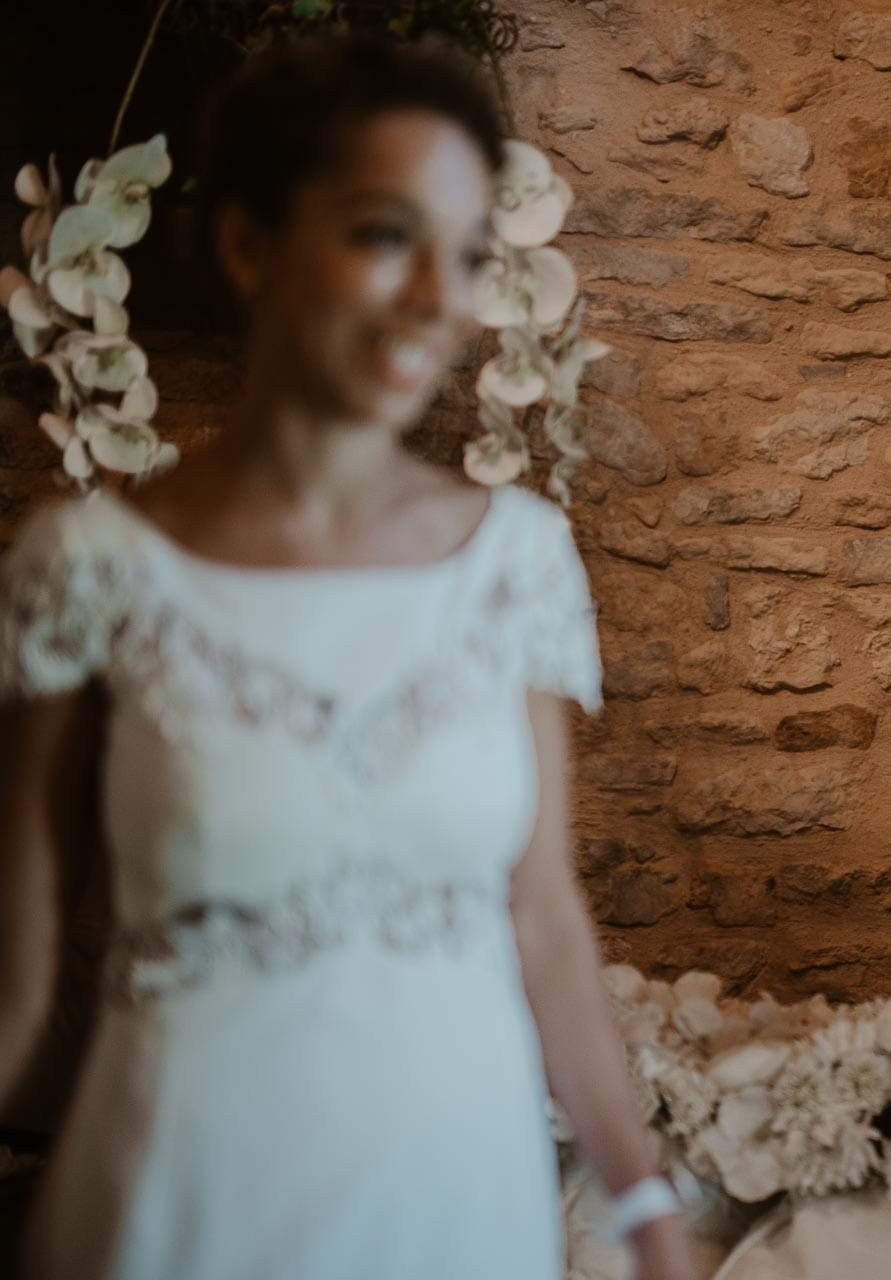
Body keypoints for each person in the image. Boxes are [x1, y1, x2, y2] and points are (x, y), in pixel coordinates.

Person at [0, 36, 696, 1280]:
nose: (438, 297)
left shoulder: (518, 565)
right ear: (250, 246)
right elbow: (17, 974)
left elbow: (544, 920)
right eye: (384, 235)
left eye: (469, 253)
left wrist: (648, 1218)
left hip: (458, 1206)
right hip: (183, 1205)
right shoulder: (89, 567)